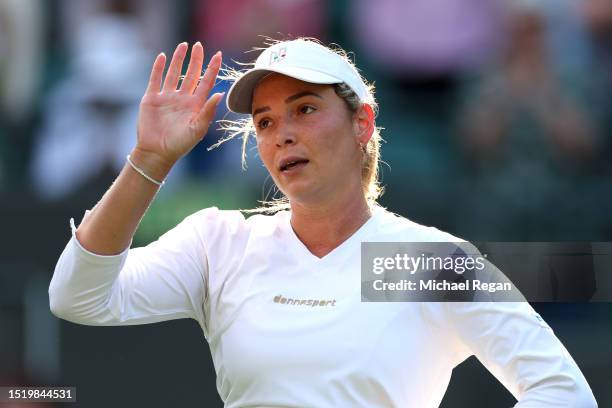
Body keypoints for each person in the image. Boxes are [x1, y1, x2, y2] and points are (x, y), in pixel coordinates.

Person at [48, 39, 597, 407]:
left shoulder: (426, 262)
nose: (282, 132)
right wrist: (150, 160)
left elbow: (563, 391)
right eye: (265, 121)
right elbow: (78, 297)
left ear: (362, 122)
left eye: (305, 109)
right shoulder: (220, 242)